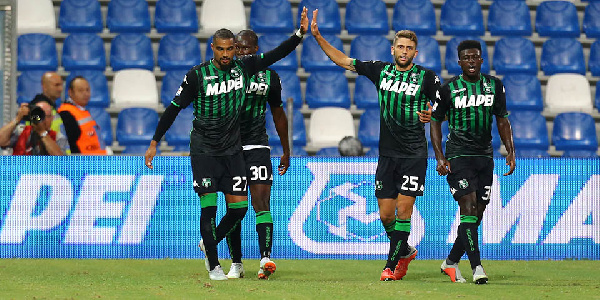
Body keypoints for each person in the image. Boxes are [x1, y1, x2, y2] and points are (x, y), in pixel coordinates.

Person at [144, 7, 308, 281]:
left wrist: (300, 33)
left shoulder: (244, 69)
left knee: (239, 208)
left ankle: (215, 245)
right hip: (205, 150)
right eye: (221, 49)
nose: (226, 55)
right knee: (209, 207)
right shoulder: (197, 76)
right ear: (213, 48)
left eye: (230, 49)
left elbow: (277, 53)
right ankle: (213, 263)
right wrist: (154, 142)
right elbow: (173, 108)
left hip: (234, 151)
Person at [310, 10, 437, 281]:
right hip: (387, 155)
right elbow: (344, 60)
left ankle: (390, 266)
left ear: (416, 52)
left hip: (414, 154)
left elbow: (443, 104)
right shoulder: (380, 70)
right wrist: (319, 37)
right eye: (400, 46)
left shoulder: (426, 77)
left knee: (404, 210)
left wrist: (432, 114)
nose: (404, 51)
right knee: (386, 215)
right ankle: (404, 251)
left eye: (409, 48)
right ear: (393, 49)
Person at [430, 40, 516, 284]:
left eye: (475, 57)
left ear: (481, 60)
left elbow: (502, 120)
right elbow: (435, 121)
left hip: (485, 157)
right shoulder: (448, 89)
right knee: (467, 208)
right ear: (459, 62)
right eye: (466, 57)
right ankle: (477, 267)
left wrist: (510, 150)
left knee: (476, 215)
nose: (470, 61)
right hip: (458, 156)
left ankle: (450, 262)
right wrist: (439, 156)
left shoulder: (494, 86)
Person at [222, 29, 291, 280]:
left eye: (247, 48)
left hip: (258, 146)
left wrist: (286, 149)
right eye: (237, 48)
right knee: (235, 206)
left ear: (256, 49)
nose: (241, 53)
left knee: (261, 201)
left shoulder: (270, 77)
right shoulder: (225, 74)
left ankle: (265, 258)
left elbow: (278, 114)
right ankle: (236, 263)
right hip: (229, 148)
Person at [0, 100, 69, 155]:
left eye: (46, 116)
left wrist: (42, 132)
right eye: (39, 115)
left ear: (52, 118)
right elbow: (2, 141)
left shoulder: (58, 137)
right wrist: (17, 119)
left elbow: (60, 161)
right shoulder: (21, 131)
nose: (42, 119)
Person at [58, 76, 106, 155]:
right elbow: (71, 145)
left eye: (87, 90)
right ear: (70, 92)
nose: (86, 93)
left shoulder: (81, 110)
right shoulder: (66, 113)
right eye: (80, 90)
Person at [29, 72, 69, 149]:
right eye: (56, 85)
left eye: (61, 85)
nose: (60, 89)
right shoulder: (37, 108)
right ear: (44, 87)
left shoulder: (52, 107)